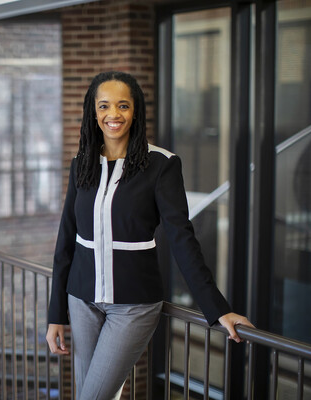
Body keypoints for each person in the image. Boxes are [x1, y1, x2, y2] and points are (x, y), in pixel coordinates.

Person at [45, 71, 254, 400]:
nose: (113, 114)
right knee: (88, 393)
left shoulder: (162, 165)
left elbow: (182, 238)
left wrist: (217, 308)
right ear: (93, 111)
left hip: (133, 304)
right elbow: (66, 241)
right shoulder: (81, 163)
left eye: (123, 105)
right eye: (104, 106)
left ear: (135, 110)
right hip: (81, 299)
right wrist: (56, 315)